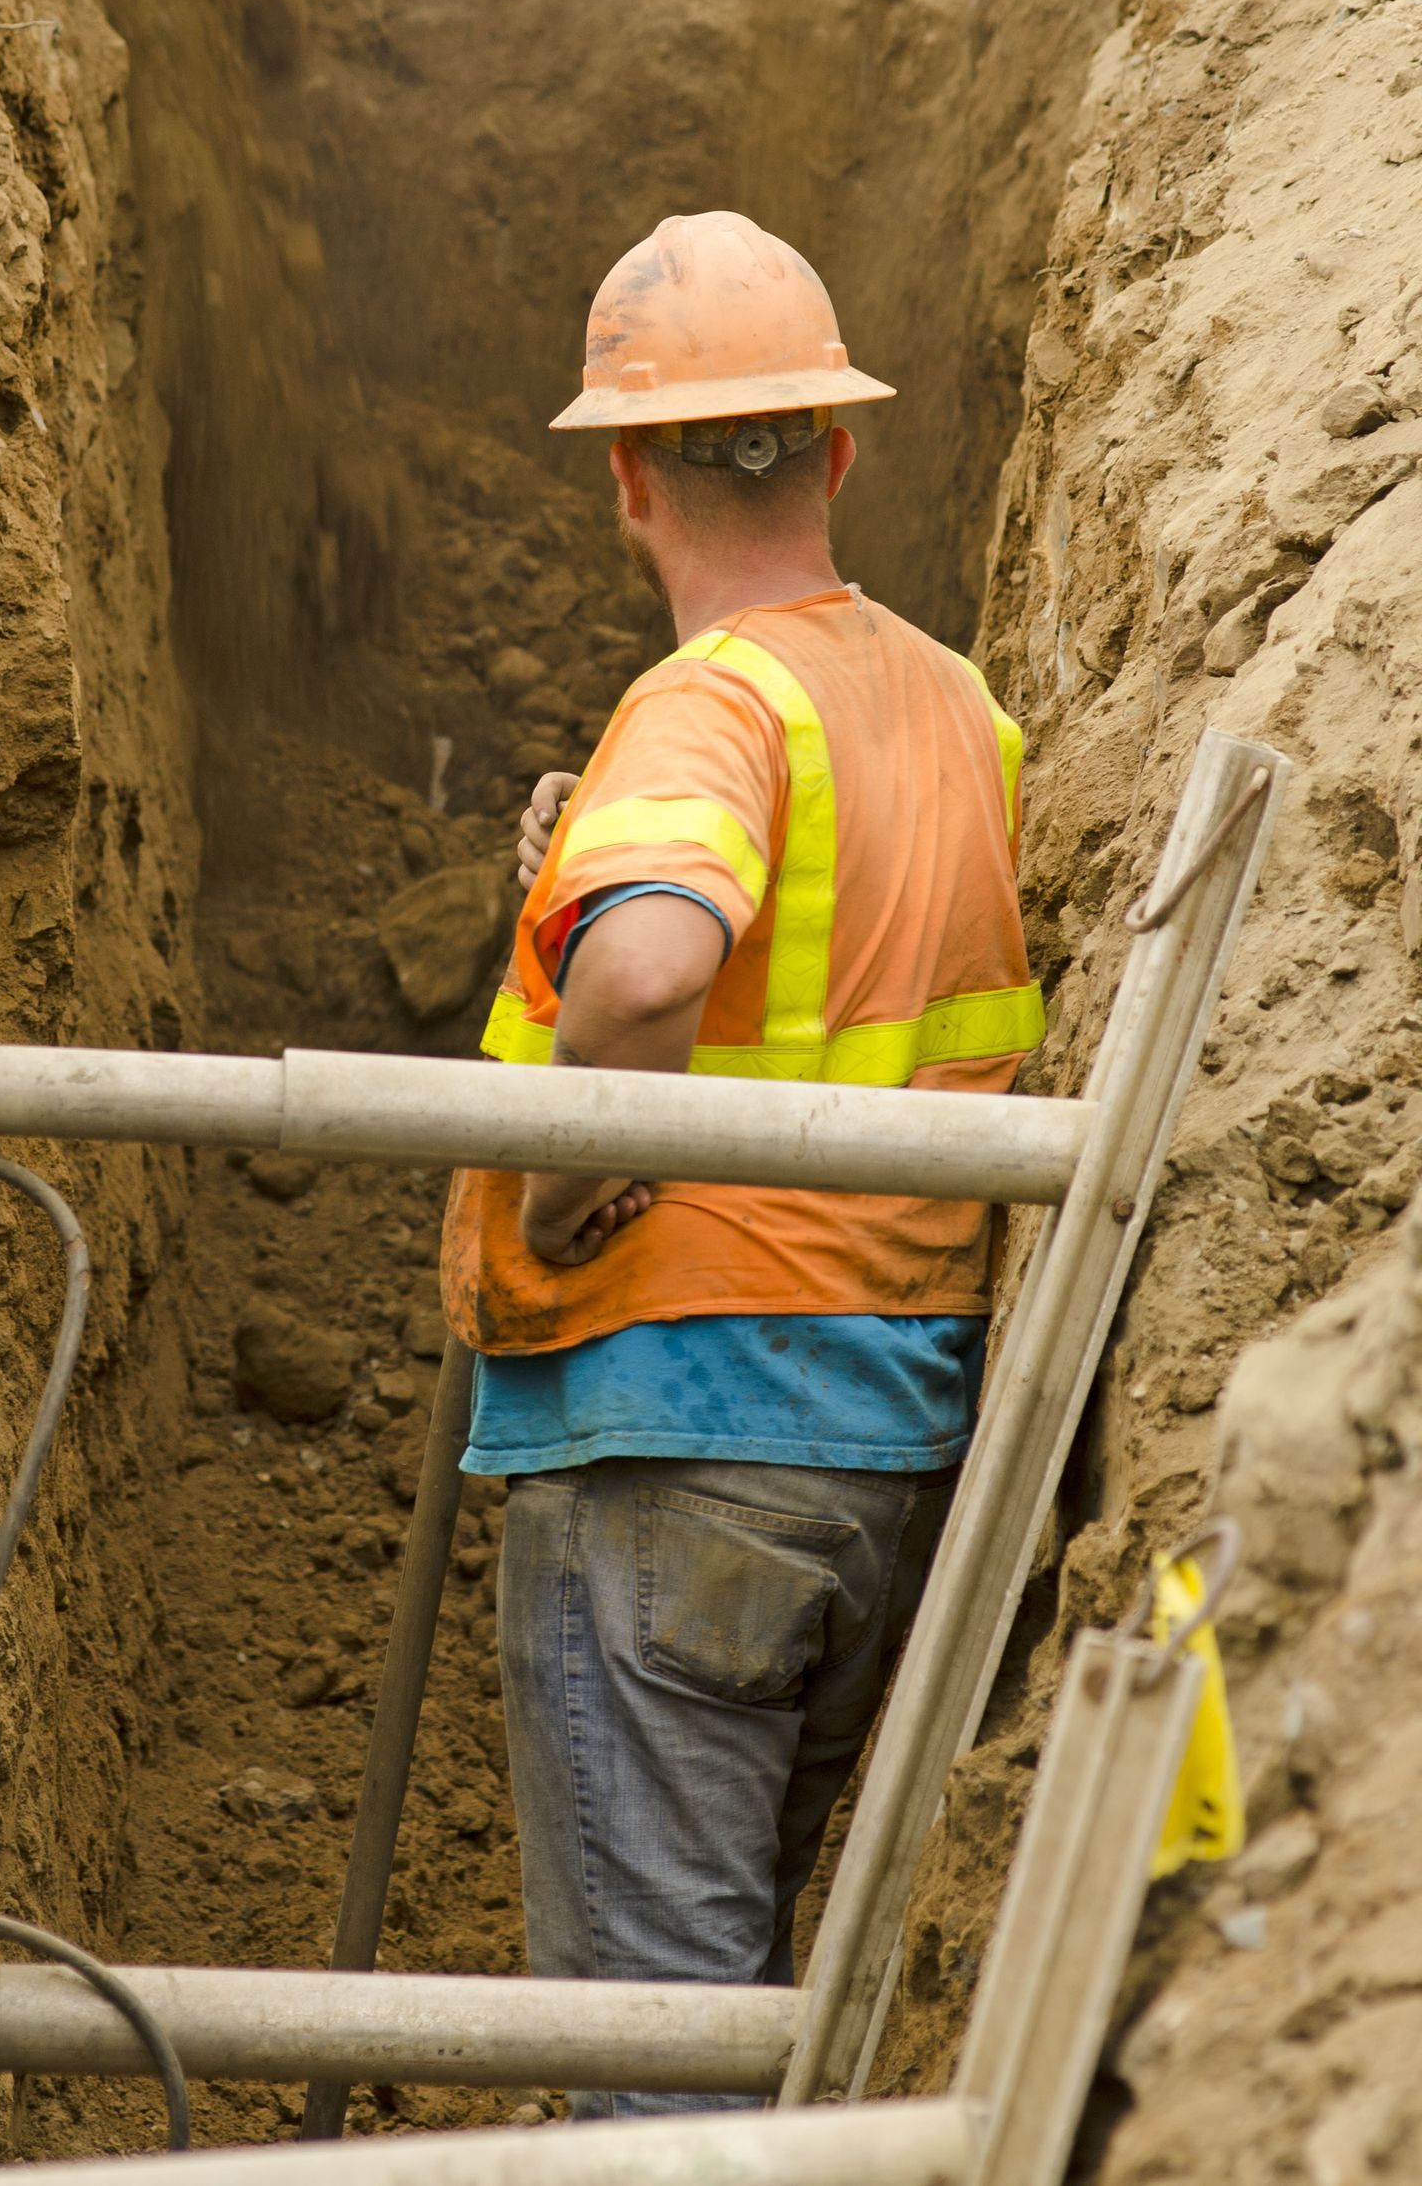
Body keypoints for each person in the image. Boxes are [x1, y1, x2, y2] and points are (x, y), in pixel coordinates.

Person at [439, 208, 1043, 2118]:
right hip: (890, 1438)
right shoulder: (958, 705)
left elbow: (648, 963)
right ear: (839, 452)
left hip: (681, 1435)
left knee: (653, 2081)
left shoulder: (709, 702)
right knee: (743, 2025)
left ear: (630, 477)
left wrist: (555, 1190)